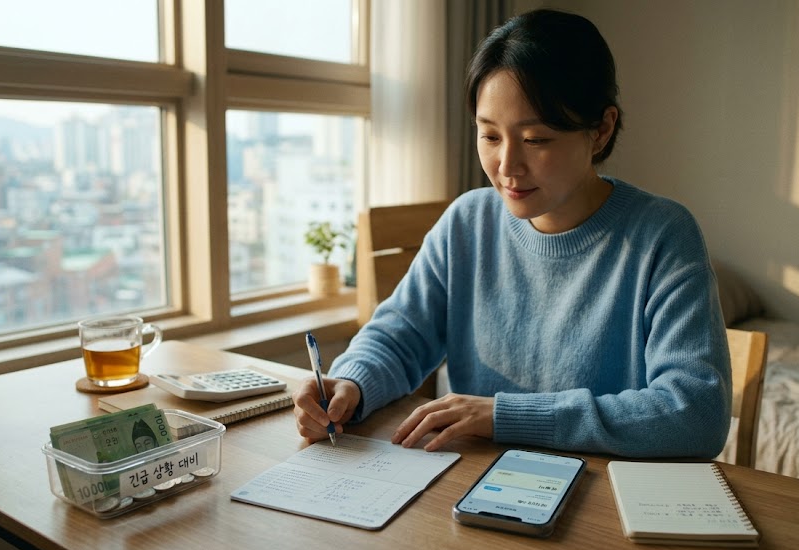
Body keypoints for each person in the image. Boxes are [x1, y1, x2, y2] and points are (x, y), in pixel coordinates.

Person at [293, 9, 731, 458]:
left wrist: (504, 416)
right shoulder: (467, 222)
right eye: (490, 136)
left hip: (603, 499)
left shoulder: (662, 234)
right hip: (475, 485)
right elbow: (399, 336)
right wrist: (351, 381)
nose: (506, 168)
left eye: (536, 139)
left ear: (601, 130)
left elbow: (696, 413)